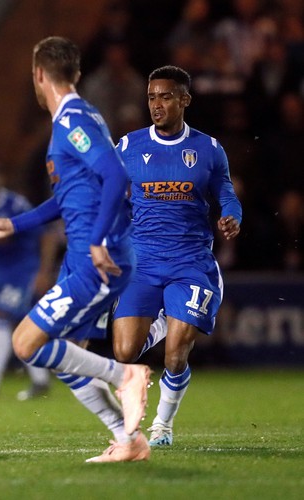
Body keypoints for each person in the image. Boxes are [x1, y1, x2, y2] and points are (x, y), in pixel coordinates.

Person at [0, 36, 152, 463]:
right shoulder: (78, 118)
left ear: (38, 74)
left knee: (26, 343)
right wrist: (13, 224)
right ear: (77, 73)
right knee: (67, 359)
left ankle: (126, 375)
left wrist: (95, 241)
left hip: (98, 258)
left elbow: (115, 177)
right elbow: (69, 197)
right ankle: (128, 441)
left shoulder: (73, 121)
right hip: (88, 257)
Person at [112, 65, 242, 447]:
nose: (156, 104)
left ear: (185, 100)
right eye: (152, 97)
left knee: (174, 357)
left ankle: (162, 427)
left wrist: (232, 215)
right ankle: (165, 320)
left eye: (166, 96)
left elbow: (227, 193)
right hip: (142, 263)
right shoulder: (129, 147)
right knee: (124, 351)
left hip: (190, 262)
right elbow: (110, 196)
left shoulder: (208, 148)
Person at [0, 156, 54, 401]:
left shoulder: (16, 204)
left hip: (24, 271)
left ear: (0, 178)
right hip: (1, 275)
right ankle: (40, 380)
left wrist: (43, 272)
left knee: (0, 317)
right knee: (20, 323)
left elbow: (46, 236)